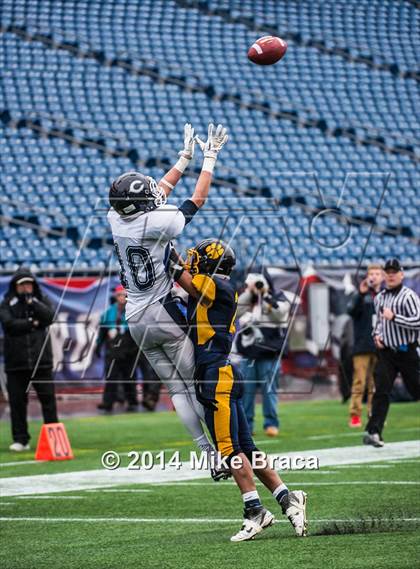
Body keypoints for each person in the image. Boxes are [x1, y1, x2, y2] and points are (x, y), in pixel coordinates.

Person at [107, 122, 229, 479]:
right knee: (198, 385)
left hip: (135, 316)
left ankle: (206, 453)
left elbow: (155, 194)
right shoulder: (157, 223)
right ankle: (224, 451)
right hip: (162, 310)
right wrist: (209, 159)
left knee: (176, 389)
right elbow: (198, 200)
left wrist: (182, 159)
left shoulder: (117, 218)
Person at [168, 239, 307, 542]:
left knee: (229, 450)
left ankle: (255, 510)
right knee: (247, 448)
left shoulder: (216, 284)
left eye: (198, 259)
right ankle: (288, 499)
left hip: (215, 375)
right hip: (222, 372)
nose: (193, 262)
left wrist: (164, 249)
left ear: (210, 265)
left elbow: (183, 277)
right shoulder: (212, 288)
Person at [0, 268, 58, 451]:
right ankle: (21, 439)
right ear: (15, 286)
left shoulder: (40, 300)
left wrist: (33, 304)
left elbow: (49, 317)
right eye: (22, 284)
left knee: (48, 401)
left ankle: (54, 437)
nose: (26, 287)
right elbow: (9, 325)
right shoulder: (7, 303)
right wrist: (32, 323)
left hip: (41, 361)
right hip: (16, 363)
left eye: (29, 284)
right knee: (17, 403)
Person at [364, 258, 420, 447]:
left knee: (416, 389)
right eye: (388, 272)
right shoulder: (379, 297)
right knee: (381, 390)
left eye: (394, 271)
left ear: (401, 274)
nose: (391, 275)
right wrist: (377, 336)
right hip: (386, 353)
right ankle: (373, 432)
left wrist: (395, 317)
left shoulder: (409, 296)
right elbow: (378, 324)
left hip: (406, 351)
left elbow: (418, 322)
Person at [236, 273, 289, 436]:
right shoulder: (246, 298)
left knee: (269, 391)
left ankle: (271, 424)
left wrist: (264, 295)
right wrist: (249, 293)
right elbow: (236, 312)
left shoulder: (278, 297)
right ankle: (246, 427)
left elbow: (280, 314)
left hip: (269, 353)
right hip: (249, 353)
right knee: (246, 393)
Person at [346, 264, 383, 427]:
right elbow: (351, 311)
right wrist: (360, 294)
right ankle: (355, 415)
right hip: (362, 345)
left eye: (377, 273)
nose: (374, 276)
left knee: (376, 384)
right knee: (359, 382)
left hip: (381, 345)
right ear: (367, 277)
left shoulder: (385, 295)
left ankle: (373, 414)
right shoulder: (360, 294)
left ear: (382, 277)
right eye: (371, 274)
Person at [96, 285, 139, 412]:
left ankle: (132, 401)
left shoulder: (133, 311)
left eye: (124, 295)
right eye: (120, 295)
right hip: (113, 349)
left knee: (130, 376)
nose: (122, 298)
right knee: (111, 376)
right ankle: (108, 402)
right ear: (116, 296)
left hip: (129, 347)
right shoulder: (108, 313)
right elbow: (102, 332)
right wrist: (98, 345)